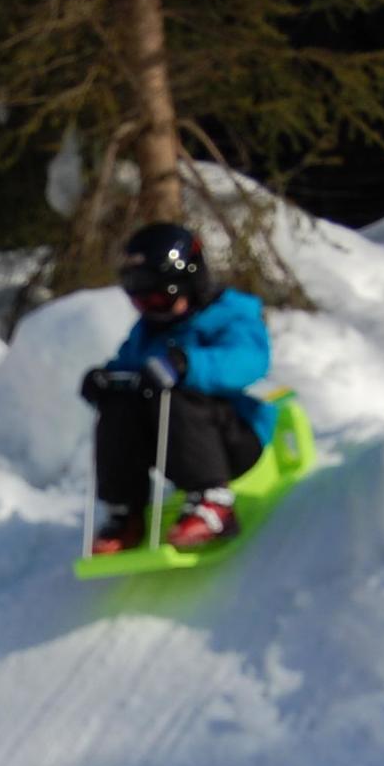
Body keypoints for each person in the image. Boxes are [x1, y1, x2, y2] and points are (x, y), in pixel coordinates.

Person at [79, 222, 275, 553]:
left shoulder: (230, 315)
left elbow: (249, 361)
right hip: (177, 449)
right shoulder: (149, 330)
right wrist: (103, 381)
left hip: (234, 441)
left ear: (191, 282)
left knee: (174, 389)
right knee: (120, 402)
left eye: (159, 298)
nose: (152, 311)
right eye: (142, 303)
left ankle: (215, 503)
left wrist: (188, 365)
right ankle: (125, 512)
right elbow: (126, 366)